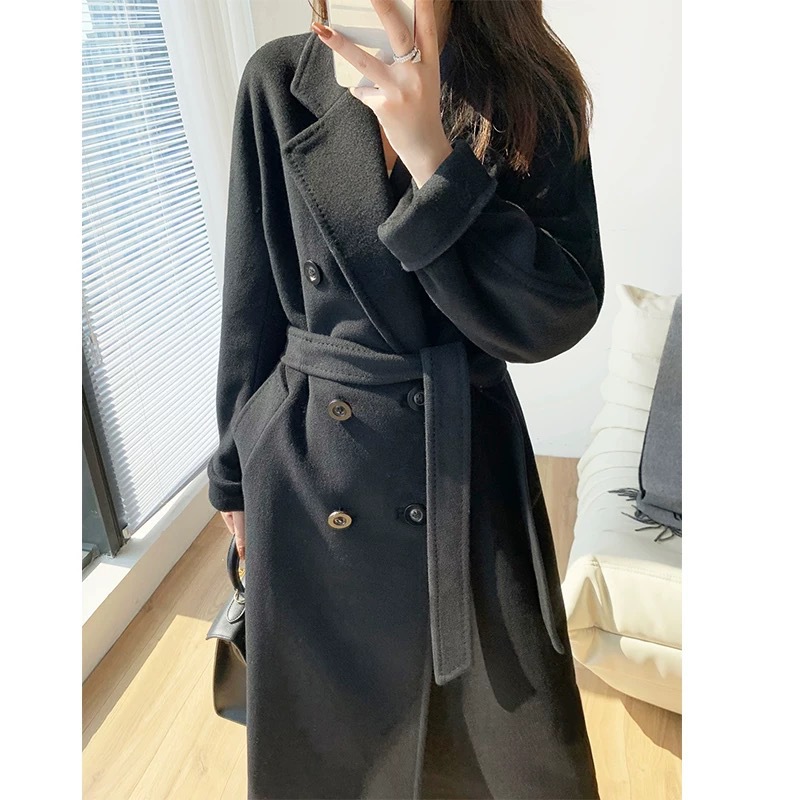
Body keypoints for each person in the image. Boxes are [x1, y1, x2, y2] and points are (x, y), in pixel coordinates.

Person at [207, 1, 604, 797]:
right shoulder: (278, 81)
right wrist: (234, 480)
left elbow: (558, 310)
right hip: (312, 467)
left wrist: (434, 162)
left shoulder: (531, 88)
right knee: (333, 763)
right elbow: (249, 300)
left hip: (468, 470)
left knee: (513, 759)